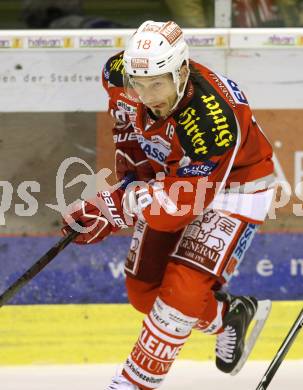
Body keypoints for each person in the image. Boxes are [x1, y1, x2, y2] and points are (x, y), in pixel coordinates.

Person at [62, 20, 274, 390]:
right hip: (171, 179)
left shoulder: (211, 120)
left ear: (183, 71)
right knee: (144, 294)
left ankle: (129, 384)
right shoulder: (118, 74)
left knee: (182, 294)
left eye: (157, 83)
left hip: (237, 187)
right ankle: (229, 315)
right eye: (138, 84)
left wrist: (116, 208)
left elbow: (179, 207)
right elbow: (127, 125)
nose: (147, 95)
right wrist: (129, 178)